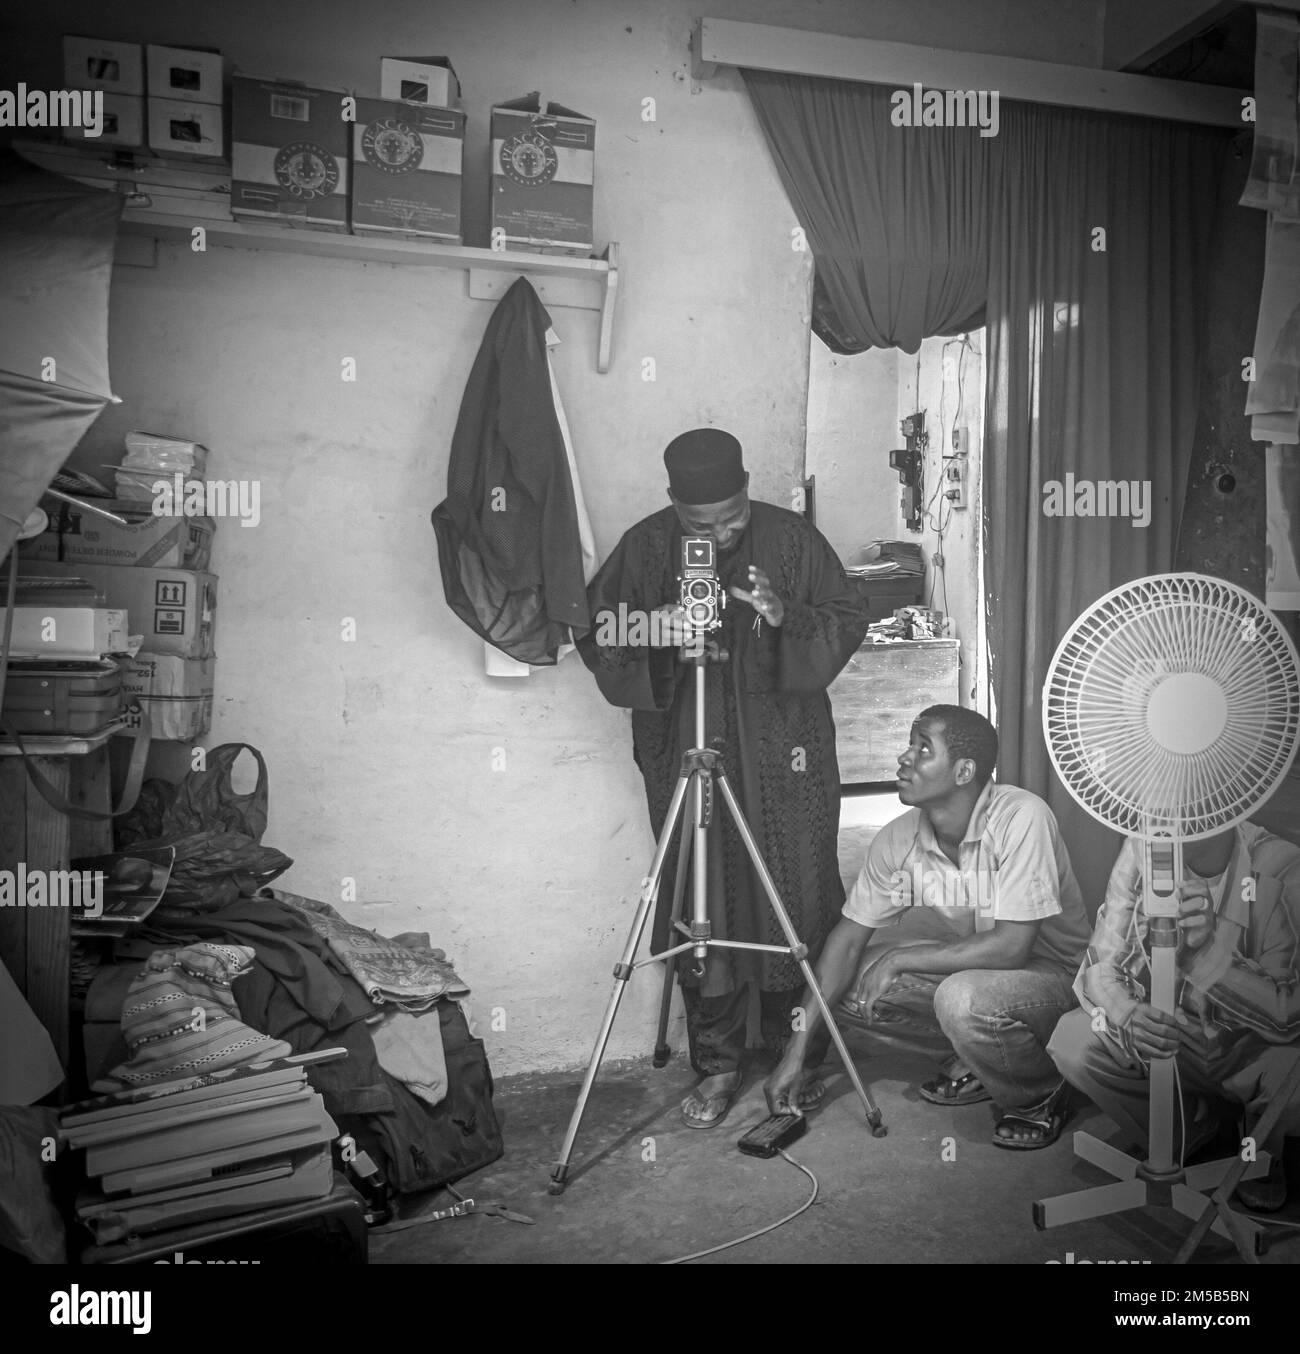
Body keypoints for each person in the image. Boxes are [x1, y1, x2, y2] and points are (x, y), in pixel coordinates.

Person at [577, 428, 868, 1128]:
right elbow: (594, 631)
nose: (725, 531)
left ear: (746, 490)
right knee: (701, 892)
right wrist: (657, 626)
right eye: (703, 524)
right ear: (675, 504)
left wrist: (781, 612)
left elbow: (846, 615)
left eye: (735, 515)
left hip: (786, 757)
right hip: (686, 748)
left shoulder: (793, 540)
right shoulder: (647, 546)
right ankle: (717, 1065)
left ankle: (798, 1052)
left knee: (796, 889)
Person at [765, 706, 1093, 1149]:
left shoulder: (1021, 817)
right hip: (983, 974)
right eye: (909, 744)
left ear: (963, 771)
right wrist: (795, 1054)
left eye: (923, 749)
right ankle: (983, 1059)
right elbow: (844, 944)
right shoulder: (898, 838)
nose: (905, 757)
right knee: (847, 984)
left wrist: (902, 958)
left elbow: (1013, 947)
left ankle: (1038, 1095)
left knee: (960, 999)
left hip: (1057, 981)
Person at [1048, 821, 1300, 1211]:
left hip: (1253, 1046)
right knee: (1073, 1039)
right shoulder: (1142, 849)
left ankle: (1263, 1150)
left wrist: (1206, 957)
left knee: (1294, 1080)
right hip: (1174, 1036)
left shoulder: (1281, 864)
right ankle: (1191, 1133)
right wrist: (1128, 1014)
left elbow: (1288, 1011)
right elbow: (1101, 961)